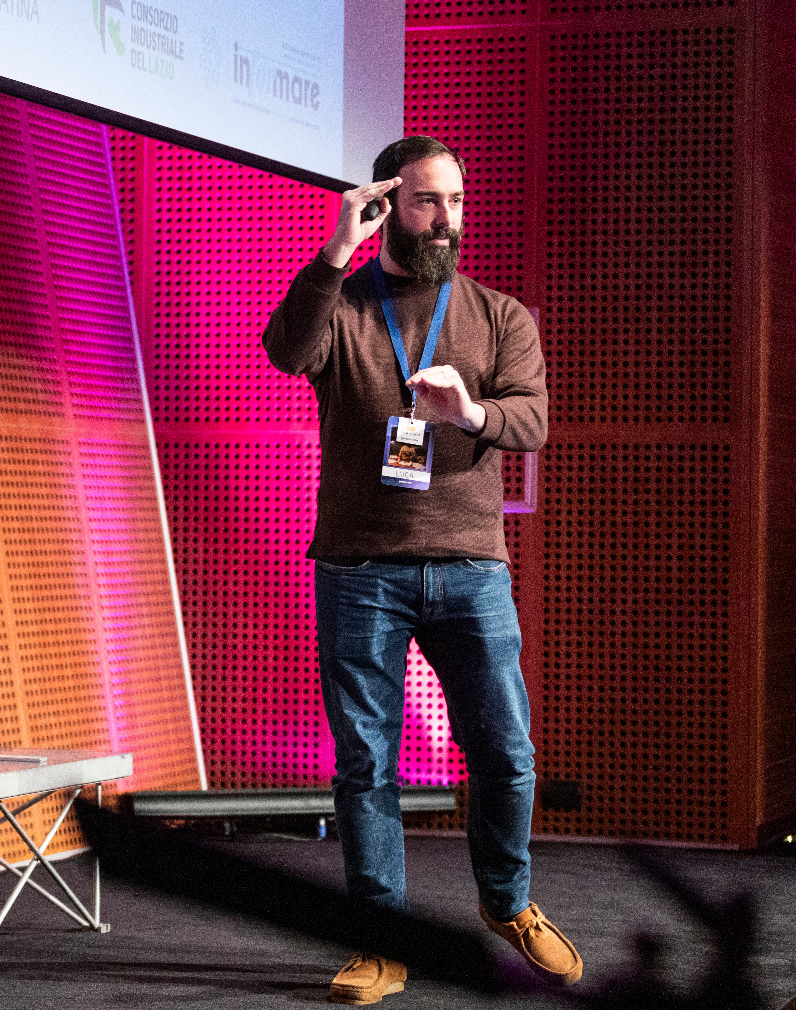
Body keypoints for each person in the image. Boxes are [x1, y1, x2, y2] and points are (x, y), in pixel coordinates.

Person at [262, 136, 582, 1004]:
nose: (448, 219)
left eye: (457, 201)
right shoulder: (344, 303)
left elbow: (531, 421)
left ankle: (507, 903)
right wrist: (337, 250)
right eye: (428, 201)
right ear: (387, 206)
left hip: (471, 569)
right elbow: (286, 351)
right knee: (366, 765)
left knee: (506, 753)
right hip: (361, 569)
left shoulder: (498, 315)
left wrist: (470, 412)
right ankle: (381, 938)